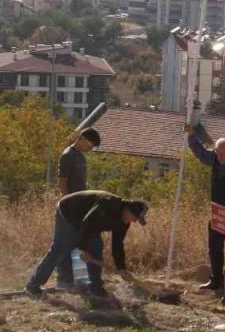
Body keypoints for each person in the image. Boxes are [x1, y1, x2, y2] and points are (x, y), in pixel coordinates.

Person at [26, 190, 147, 298]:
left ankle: (96, 289)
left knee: (96, 250)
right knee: (60, 250)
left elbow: (118, 244)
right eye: (135, 217)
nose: (135, 221)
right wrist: (83, 250)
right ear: (128, 210)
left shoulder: (124, 222)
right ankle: (33, 286)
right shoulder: (108, 204)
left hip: (89, 224)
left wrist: (121, 268)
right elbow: (87, 223)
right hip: (69, 212)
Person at [185, 122, 225, 307]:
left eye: (222, 153)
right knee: (214, 247)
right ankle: (216, 280)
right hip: (217, 211)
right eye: (217, 152)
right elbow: (200, 153)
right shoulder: (214, 158)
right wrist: (191, 136)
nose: (218, 156)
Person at [55, 128, 100, 289]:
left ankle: (78, 279)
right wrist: (67, 202)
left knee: (78, 243)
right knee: (64, 243)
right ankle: (64, 279)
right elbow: (63, 181)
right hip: (69, 207)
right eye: (90, 145)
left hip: (80, 206)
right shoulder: (68, 155)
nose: (91, 148)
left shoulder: (80, 157)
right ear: (82, 139)